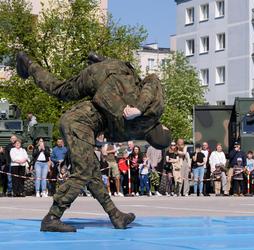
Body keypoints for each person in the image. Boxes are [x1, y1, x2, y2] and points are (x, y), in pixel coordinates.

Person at [16, 51, 171, 232]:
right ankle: (52, 216)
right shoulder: (127, 133)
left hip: (109, 71)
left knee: (91, 172)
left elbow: (151, 80)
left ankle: (115, 215)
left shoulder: (153, 112)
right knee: (84, 172)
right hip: (81, 118)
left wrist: (138, 107)